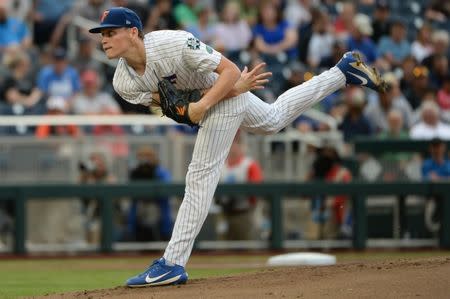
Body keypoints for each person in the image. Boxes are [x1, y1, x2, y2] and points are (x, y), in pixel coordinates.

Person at [89, 6, 385, 287]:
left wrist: (207, 103)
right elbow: (173, 103)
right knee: (273, 119)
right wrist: (215, 98)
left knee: (200, 175)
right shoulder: (122, 83)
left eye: (110, 32)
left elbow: (229, 70)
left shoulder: (173, 43)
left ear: (133, 32)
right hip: (226, 92)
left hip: (223, 92)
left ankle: (172, 263)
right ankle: (342, 72)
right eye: (102, 34)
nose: (104, 39)